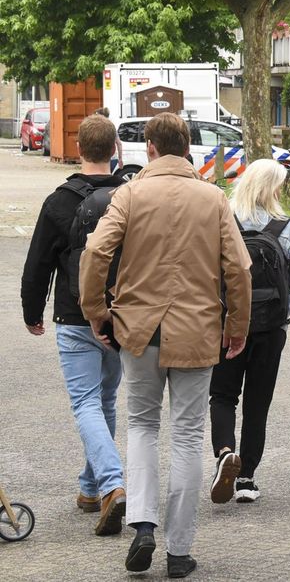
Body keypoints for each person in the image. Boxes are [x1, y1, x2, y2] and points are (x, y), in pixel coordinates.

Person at [79, 112, 252, 578]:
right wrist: (237, 323)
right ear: (188, 145)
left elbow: (96, 252)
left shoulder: (129, 193)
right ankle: (179, 549)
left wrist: (96, 311)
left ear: (150, 149)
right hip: (197, 329)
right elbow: (238, 268)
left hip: (138, 329)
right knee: (189, 433)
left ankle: (142, 525)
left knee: (141, 425)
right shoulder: (214, 198)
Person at [20, 114, 128, 537]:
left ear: (79, 148)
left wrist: (32, 313)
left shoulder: (59, 202)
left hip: (74, 315)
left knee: (86, 403)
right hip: (120, 317)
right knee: (105, 401)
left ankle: (111, 484)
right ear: (115, 148)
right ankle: (90, 488)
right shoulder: (128, 196)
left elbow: (37, 265)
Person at [208, 159, 290, 504]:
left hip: (225, 325)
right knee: (258, 401)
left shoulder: (223, 220)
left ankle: (225, 452)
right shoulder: (286, 228)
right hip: (271, 328)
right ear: (273, 189)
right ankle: (247, 478)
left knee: (222, 395)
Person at [93, 107, 124, 172]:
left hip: (101, 159)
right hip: (113, 159)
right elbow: (119, 143)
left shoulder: (97, 128)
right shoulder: (112, 127)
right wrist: (120, 158)